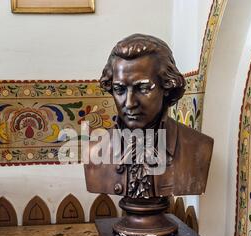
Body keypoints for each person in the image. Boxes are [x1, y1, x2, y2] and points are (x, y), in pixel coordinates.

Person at [84, 34, 213, 199]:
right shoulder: (94, 149)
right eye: (119, 89)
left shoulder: (199, 147)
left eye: (143, 88)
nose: (129, 103)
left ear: (166, 86)